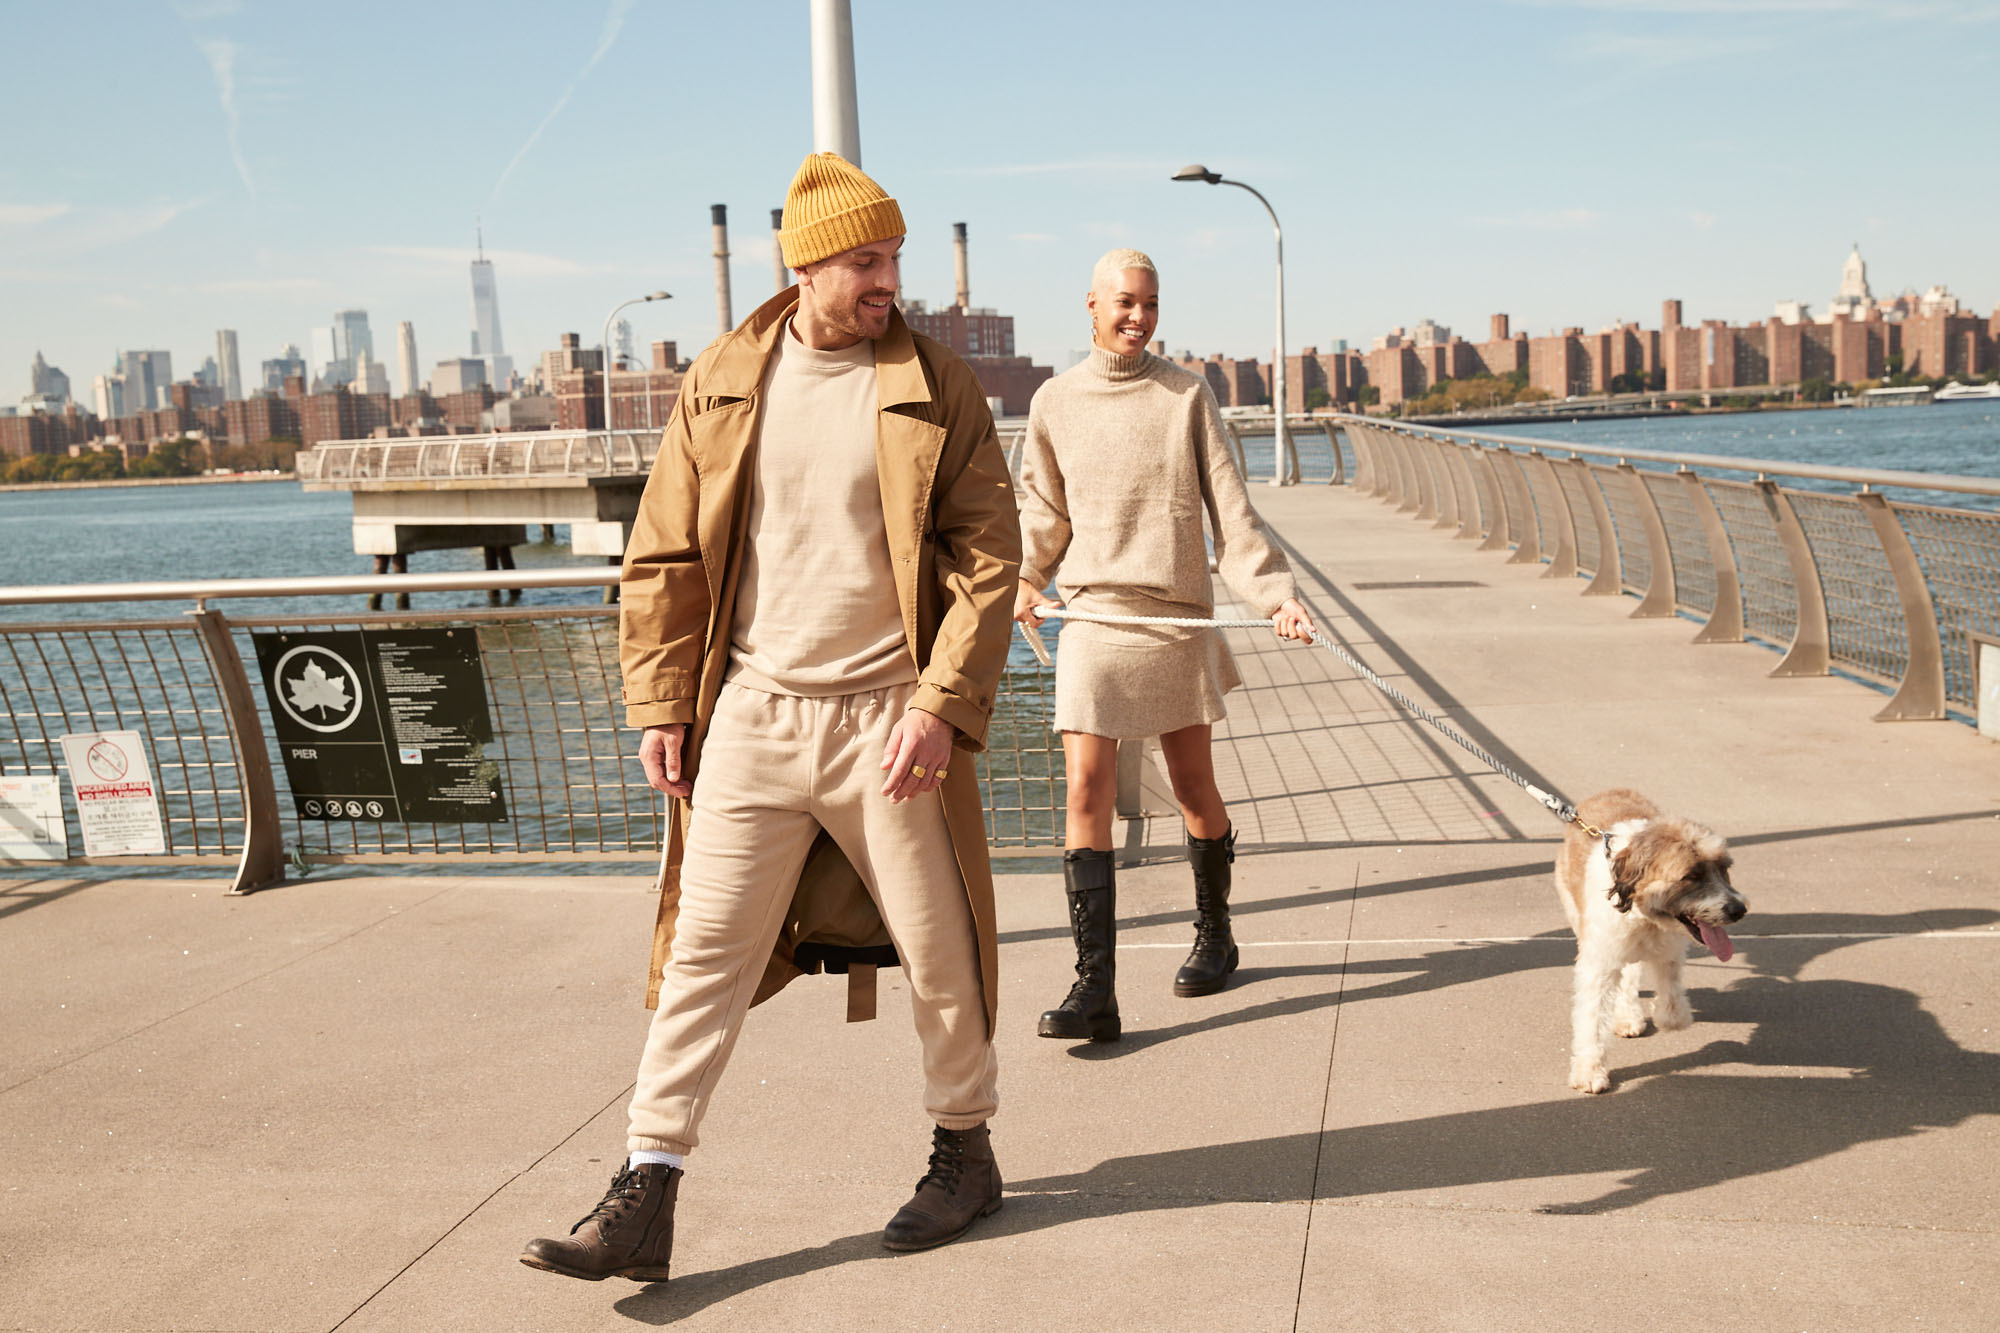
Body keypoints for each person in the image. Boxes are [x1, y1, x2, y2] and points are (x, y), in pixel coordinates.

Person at [519, 152, 1022, 1283]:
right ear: (803, 267)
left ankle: (964, 1151)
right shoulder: (722, 379)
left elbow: (990, 559)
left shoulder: (937, 384)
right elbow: (660, 552)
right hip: (750, 714)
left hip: (889, 719)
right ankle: (645, 1190)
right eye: (864, 261)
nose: (886, 280)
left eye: (892, 258)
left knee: (941, 955)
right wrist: (659, 700)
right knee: (701, 956)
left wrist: (941, 705)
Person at [1014, 247, 1315, 1043]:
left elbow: (1233, 512)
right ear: (1090, 305)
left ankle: (1216, 935)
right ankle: (1095, 987)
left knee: (1191, 788)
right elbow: (1042, 515)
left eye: (1149, 303)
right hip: (1095, 621)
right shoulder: (1053, 402)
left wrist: (1278, 597)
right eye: (1123, 303)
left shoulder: (1188, 396)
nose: (1138, 317)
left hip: (1176, 618)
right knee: (1086, 789)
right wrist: (1021, 577)